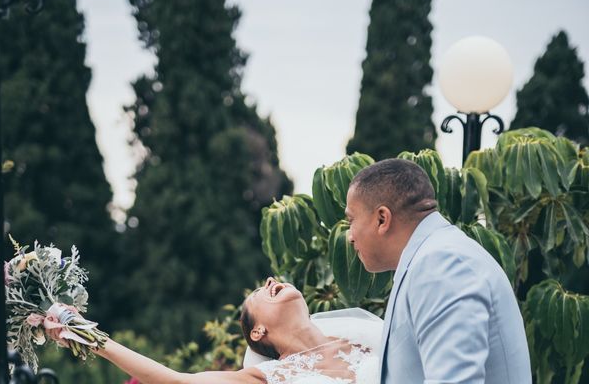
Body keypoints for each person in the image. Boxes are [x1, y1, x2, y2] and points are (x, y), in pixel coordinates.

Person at [346, 158, 532, 383]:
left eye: (351, 220)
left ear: (382, 219)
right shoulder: (431, 257)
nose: (349, 236)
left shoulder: (441, 265)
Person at [50, 277, 382, 384]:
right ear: (258, 332)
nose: (270, 281)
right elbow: (176, 380)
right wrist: (84, 333)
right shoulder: (267, 377)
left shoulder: (363, 335)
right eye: (258, 294)